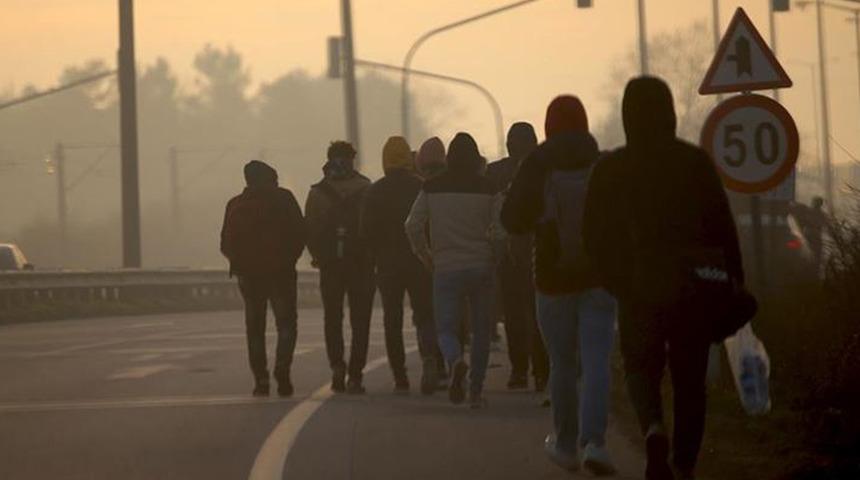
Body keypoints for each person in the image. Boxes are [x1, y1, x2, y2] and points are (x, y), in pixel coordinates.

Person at [583, 76, 744, 480]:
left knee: (640, 367)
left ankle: (653, 427)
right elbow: (723, 226)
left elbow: (593, 234)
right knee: (690, 379)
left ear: (626, 116)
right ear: (669, 113)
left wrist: (612, 279)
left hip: (637, 288)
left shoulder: (610, 169)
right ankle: (685, 464)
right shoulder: (693, 162)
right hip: (693, 288)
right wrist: (734, 282)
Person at [501, 97, 617, 475]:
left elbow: (512, 219)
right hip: (600, 276)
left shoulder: (536, 163)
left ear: (549, 126)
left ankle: (566, 444)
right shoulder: (601, 161)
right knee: (597, 358)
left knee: (563, 363)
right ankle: (596, 442)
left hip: (551, 278)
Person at [406, 132, 505, 409]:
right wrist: (495, 257)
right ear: (476, 158)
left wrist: (426, 255)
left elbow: (412, 225)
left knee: (446, 329)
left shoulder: (432, 187)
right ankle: (475, 392)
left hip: (445, 267)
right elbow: (500, 230)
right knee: (482, 331)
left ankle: (454, 361)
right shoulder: (490, 187)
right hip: (482, 266)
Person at [220, 160, 306, 397]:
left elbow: (225, 243)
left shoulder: (235, 204)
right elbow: (301, 232)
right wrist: (289, 259)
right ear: (272, 178)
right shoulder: (284, 199)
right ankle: (282, 370)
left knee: (255, 327)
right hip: (281, 274)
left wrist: (240, 263)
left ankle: (261, 380)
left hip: (248, 276)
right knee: (286, 324)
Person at [361, 136, 439, 395]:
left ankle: (400, 376)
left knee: (392, 319)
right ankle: (430, 361)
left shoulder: (375, 191)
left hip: (387, 266)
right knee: (425, 314)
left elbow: (366, 232)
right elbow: (430, 226)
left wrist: (375, 257)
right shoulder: (422, 187)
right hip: (419, 262)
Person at [305, 141, 375, 394]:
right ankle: (356, 375)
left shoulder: (317, 193)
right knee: (361, 321)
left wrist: (318, 256)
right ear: (352, 159)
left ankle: (337, 366)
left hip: (330, 266)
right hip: (361, 265)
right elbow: (373, 228)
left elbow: (309, 230)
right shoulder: (367, 188)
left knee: (333, 318)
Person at [487, 122, 549, 392]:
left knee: (513, 315)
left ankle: (519, 371)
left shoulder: (494, 172)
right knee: (538, 314)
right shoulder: (545, 170)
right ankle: (541, 371)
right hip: (539, 251)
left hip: (506, 253)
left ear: (509, 144)